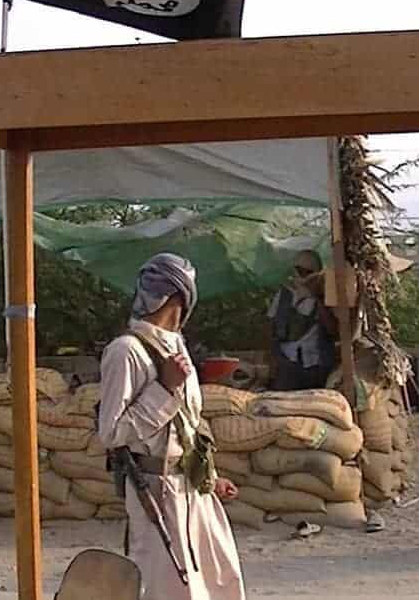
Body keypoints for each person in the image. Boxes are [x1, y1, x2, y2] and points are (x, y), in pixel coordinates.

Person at [98, 253, 246, 600]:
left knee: (220, 582)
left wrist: (211, 476)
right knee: (169, 590)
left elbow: (188, 425)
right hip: (155, 492)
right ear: (183, 298)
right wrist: (163, 389)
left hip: (194, 489)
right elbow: (111, 433)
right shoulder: (126, 351)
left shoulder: (177, 346)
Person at [268, 250, 338, 391]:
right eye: (299, 270)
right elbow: (269, 327)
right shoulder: (283, 295)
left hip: (315, 365)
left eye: (308, 272)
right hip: (286, 363)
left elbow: (333, 330)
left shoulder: (326, 298)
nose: (302, 276)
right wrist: (272, 357)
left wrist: (317, 297)